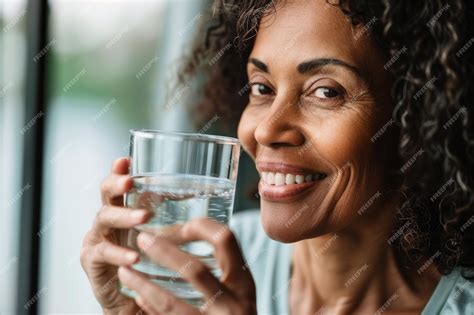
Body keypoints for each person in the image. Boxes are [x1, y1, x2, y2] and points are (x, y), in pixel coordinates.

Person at [81, 0, 474, 314]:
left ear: (417, 115)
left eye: (326, 92)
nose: (266, 130)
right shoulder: (203, 264)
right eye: (261, 87)